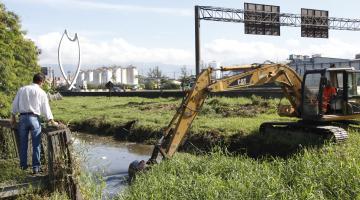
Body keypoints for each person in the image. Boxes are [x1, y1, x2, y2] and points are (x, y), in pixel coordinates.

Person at [10, 73, 58, 174]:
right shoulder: (41, 92)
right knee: (36, 145)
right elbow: (46, 108)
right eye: (43, 82)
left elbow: (15, 104)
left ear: (33, 80)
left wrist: (13, 116)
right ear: (41, 81)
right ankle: (36, 168)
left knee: (23, 144)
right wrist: (51, 120)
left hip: (22, 118)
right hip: (34, 118)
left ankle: (23, 167)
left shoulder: (22, 89)